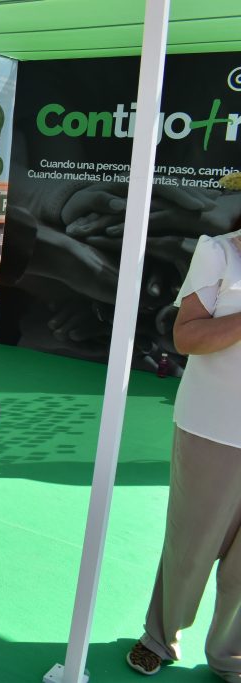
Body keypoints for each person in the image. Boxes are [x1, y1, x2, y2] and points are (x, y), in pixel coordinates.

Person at [126, 195, 241, 680]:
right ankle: (160, 635)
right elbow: (186, 337)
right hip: (213, 428)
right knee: (191, 545)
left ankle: (231, 657)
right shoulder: (220, 252)